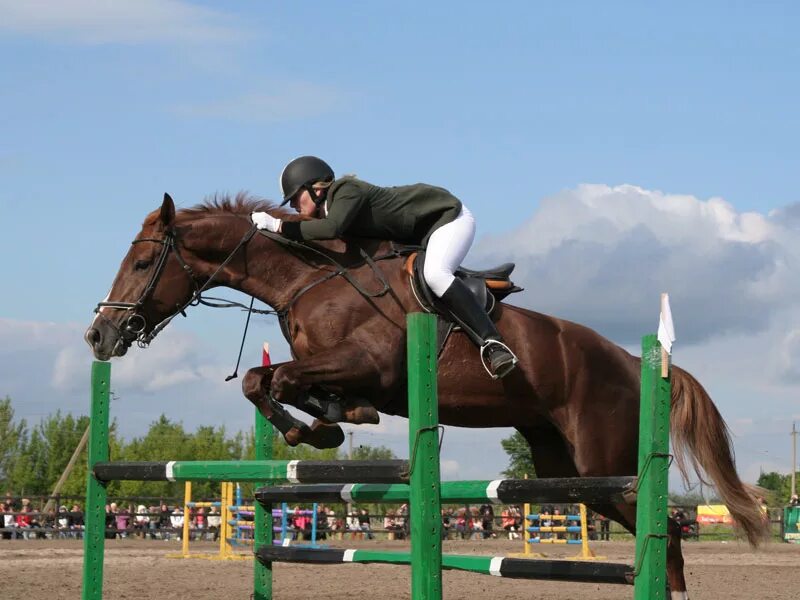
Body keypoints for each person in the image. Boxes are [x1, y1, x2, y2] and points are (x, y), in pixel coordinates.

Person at [251, 156, 518, 380]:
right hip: (421, 235)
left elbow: (330, 230)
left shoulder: (346, 190)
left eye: (296, 198)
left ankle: (493, 344)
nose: (295, 206)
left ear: (316, 189)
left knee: (435, 275)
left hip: (448, 218)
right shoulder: (333, 208)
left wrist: (277, 225)